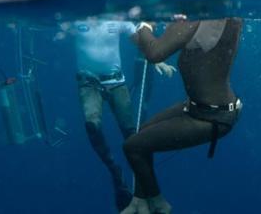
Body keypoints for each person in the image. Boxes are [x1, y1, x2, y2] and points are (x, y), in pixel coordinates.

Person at [121, 0, 241, 214]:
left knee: (133, 147)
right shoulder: (225, 3)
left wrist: (142, 25)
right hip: (206, 107)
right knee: (141, 136)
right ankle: (140, 200)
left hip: (210, 119)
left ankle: (159, 205)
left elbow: (155, 53)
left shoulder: (198, 12)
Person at [62, 18, 176, 212]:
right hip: (88, 84)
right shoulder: (75, 18)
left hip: (116, 83)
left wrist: (157, 60)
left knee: (132, 135)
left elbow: (139, 41)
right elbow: (52, 23)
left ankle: (146, 189)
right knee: (92, 125)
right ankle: (115, 170)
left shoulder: (118, 18)